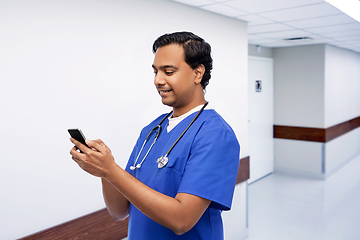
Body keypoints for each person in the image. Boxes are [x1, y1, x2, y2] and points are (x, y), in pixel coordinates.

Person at [70, 31, 240, 240]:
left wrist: (111, 170)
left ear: (198, 73)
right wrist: (104, 172)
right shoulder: (152, 130)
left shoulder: (215, 135)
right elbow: (119, 211)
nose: (158, 80)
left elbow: (181, 220)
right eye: (155, 71)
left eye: (168, 71)